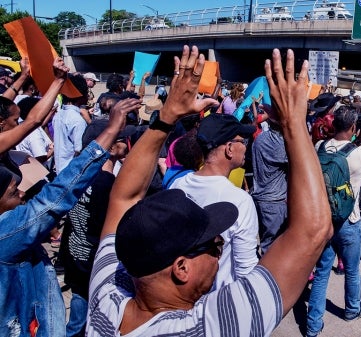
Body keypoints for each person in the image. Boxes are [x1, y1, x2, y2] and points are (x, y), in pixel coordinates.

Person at [86, 46, 333, 336]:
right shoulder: (209, 325)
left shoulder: (106, 298)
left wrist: (167, 116)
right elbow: (313, 232)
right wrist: (294, 123)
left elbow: (123, 198)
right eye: (212, 246)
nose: (219, 246)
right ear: (181, 268)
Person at [0, 56, 140, 337]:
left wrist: (51, 80)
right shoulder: (6, 234)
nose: (23, 190)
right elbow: (55, 197)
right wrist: (111, 130)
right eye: (14, 190)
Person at [307, 104, 361, 336]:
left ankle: (313, 325)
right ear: (354, 127)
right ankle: (352, 309)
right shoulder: (360, 153)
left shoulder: (320, 145)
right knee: (352, 269)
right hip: (348, 221)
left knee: (322, 271)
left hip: (324, 219)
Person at [170, 113, 260, 290]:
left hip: (181, 293)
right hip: (218, 301)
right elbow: (246, 270)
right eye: (243, 142)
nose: (245, 147)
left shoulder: (178, 185)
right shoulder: (240, 201)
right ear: (229, 148)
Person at [60, 119, 131, 337]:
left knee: (77, 316)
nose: (127, 143)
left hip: (73, 254)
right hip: (93, 262)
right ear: (109, 148)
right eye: (122, 140)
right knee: (89, 319)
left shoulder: (79, 175)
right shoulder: (108, 186)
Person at [251, 117, 289, 254]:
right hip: (273, 202)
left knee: (265, 242)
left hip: (260, 198)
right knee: (272, 250)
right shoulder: (279, 144)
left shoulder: (260, 138)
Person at [52, 74, 90, 174]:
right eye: (86, 92)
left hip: (60, 170)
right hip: (71, 173)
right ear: (81, 95)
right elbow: (79, 150)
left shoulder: (58, 115)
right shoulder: (78, 120)